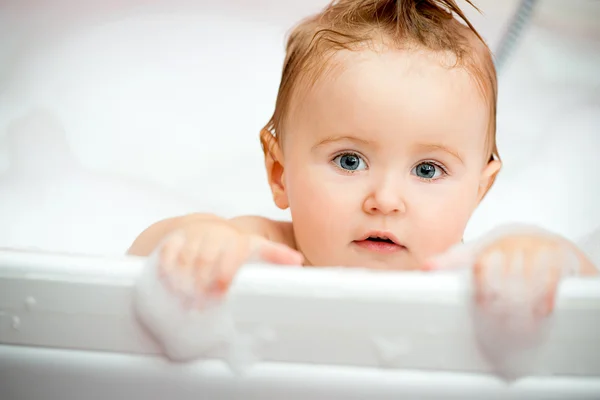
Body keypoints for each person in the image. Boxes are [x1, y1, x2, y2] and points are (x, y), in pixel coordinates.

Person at [128, 0, 597, 315]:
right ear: (279, 172)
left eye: (427, 170)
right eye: (349, 161)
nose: (386, 200)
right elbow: (138, 259)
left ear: (480, 189)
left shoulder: (478, 275)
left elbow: (586, 295)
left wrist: (544, 259)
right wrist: (198, 241)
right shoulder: (270, 253)